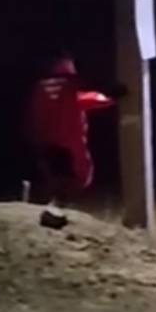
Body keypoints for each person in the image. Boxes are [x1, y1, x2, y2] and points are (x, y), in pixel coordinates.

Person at [24, 55, 123, 229]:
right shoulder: (70, 86)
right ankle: (53, 212)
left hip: (46, 143)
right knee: (72, 181)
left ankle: (55, 210)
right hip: (67, 145)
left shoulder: (39, 89)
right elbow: (89, 98)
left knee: (58, 180)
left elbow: (34, 116)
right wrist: (112, 95)